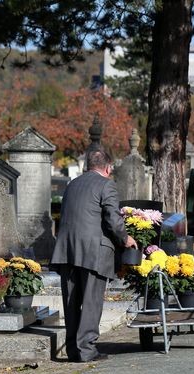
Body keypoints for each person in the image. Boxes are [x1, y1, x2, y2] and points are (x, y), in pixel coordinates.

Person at [51, 147, 137, 362]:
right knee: (91, 301)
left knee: (71, 301)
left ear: (87, 166)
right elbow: (111, 218)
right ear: (108, 168)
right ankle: (87, 350)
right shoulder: (106, 184)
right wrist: (126, 239)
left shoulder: (72, 185)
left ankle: (73, 350)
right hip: (93, 251)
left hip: (66, 251)